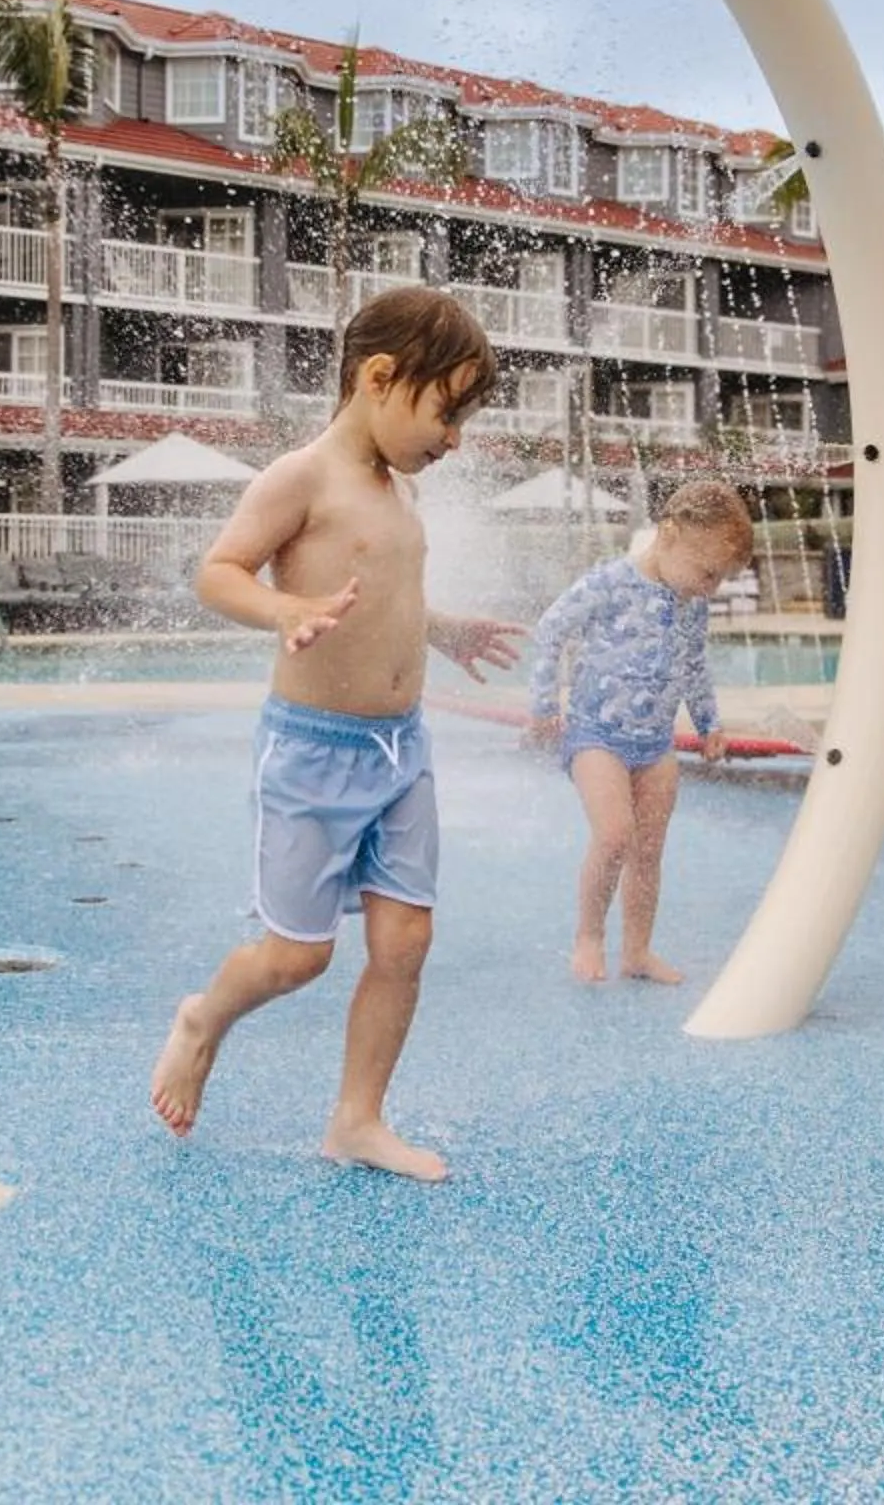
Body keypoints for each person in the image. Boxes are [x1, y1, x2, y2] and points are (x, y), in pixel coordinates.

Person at [147, 286, 523, 1182]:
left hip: (401, 752)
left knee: (405, 944)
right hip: (314, 749)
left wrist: (442, 629)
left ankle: (358, 1118)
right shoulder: (301, 477)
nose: (454, 440)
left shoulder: (397, 496)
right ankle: (203, 1018)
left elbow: (387, 598)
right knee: (297, 957)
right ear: (380, 378)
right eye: (446, 412)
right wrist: (284, 610)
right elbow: (219, 572)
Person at [527, 480, 755, 985]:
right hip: (596, 734)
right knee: (613, 837)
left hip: (655, 744)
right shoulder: (609, 582)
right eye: (708, 573)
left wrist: (708, 723)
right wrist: (544, 706)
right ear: (669, 535)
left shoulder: (691, 603)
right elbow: (550, 631)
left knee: (648, 851)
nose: (711, 587)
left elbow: (694, 665)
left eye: (720, 579)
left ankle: (637, 951)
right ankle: (589, 938)